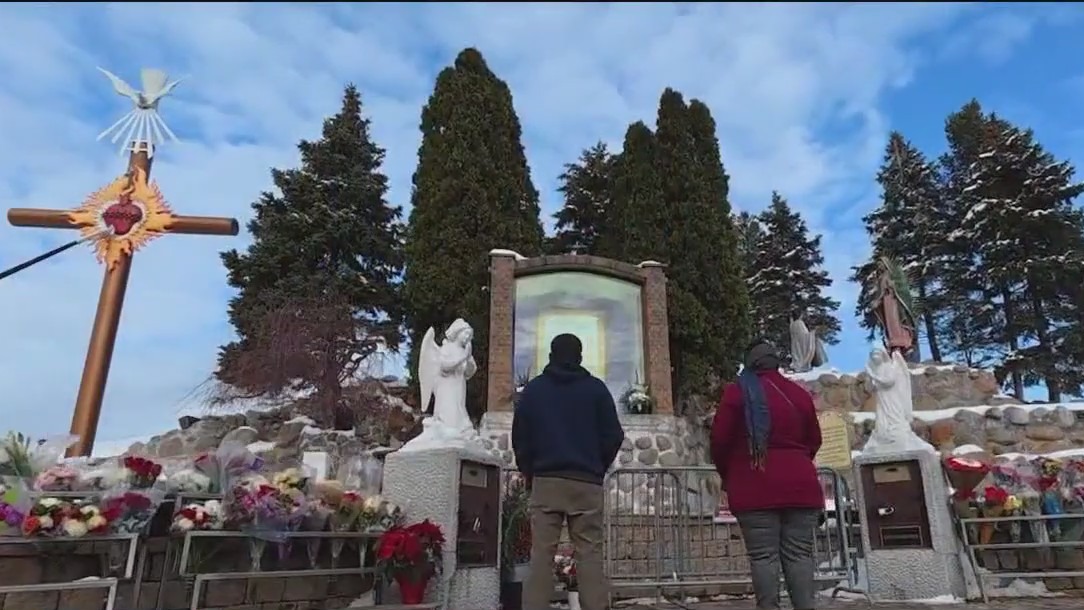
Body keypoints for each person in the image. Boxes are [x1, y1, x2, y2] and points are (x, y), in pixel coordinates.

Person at [513, 333, 625, 610]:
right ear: (580, 357)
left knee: (541, 556)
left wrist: (529, 471)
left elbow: (520, 438)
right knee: (590, 555)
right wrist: (597, 467)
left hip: (546, 480)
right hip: (586, 482)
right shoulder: (597, 390)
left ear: (551, 356)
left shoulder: (535, 390)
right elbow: (613, 435)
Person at [710, 339, 824, 610]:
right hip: (801, 487)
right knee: (799, 555)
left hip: (754, 485)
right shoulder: (798, 394)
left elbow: (720, 440)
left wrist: (728, 473)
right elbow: (814, 439)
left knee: (763, 557)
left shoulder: (737, 393)